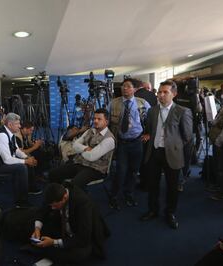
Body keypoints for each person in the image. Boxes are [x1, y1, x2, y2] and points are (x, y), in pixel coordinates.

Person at [140, 80, 193, 229]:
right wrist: (149, 136)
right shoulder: (152, 111)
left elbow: (188, 136)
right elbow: (150, 129)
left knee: (172, 186)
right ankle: (153, 210)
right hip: (154, 152)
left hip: (173, 154)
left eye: (165, 92)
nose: (161, 95)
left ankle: (170, 213)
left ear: (174, 94)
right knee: (152, 185)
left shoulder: (183, 111)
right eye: (159, 92)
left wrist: (175, 146)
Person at [28, 182, 110, 264]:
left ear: (64, 197)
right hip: (64, 226)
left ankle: (47, 249)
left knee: (78, 254)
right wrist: (37, 229)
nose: (52, 208)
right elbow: (43, 210)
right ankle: (50, 248)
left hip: (80, 235)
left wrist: (53, 242)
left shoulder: (83, 204)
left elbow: (83, 237)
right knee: (34, 224)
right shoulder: (55, 192)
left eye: (55, 206)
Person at [108, 78, 150, 209]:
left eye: (128, 86)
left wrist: (149, 133)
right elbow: (106, 121)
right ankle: (114, 195)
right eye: (123, 86)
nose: (124, 88)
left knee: (133, 171)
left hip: (137, 142)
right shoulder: (113, 103)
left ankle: (129, 193)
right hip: (121, 143)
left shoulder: (142, 104)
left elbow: (152, 120)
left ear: (135, 89)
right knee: (121, 171)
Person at [48, 108, 115, 190]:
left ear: (106, 122)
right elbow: (75, 145)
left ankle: (70, 196)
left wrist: (81, 149)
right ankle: (59, 198)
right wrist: (86, 148)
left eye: (99, 119)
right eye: (94, 118)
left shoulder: (109, 139)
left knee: (73, 185)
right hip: (80, 163)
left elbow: (91, 157)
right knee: (53, 174)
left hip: (95, 169)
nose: (95, 121)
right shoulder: (90, 131)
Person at [0, 113, 40, 208]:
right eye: (17, 124)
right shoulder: (2, 136)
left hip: (2, 162)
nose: (20, 126)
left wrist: (26, 158)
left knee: (28, 160)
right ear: (10, 125)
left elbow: (16, 150)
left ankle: (29, 188)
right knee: (21, 168)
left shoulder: (10, 134)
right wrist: (25, 161)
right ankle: (20, 202)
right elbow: (7, 160)